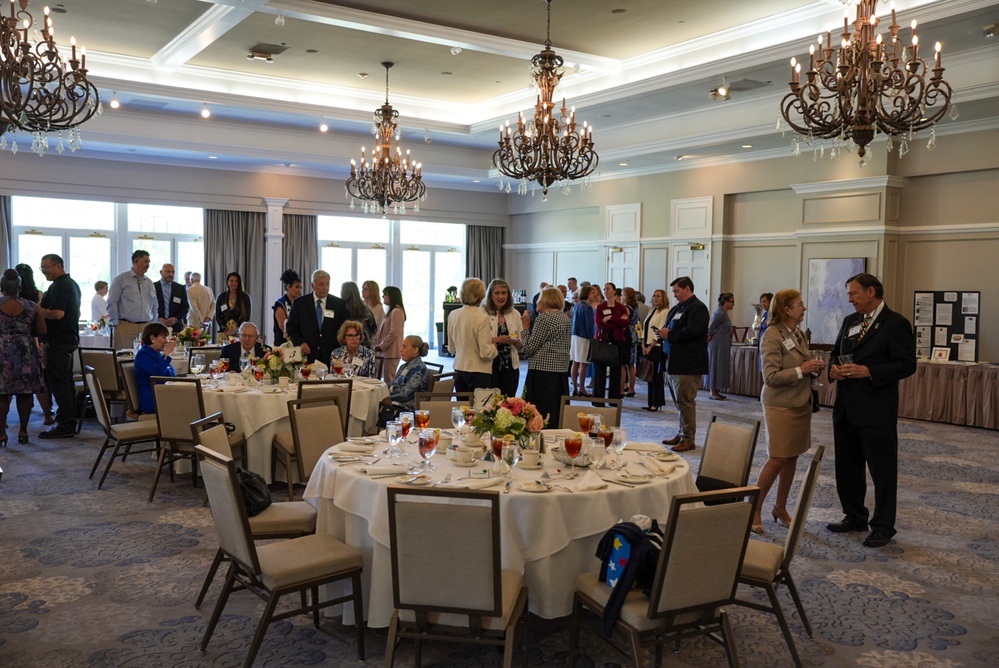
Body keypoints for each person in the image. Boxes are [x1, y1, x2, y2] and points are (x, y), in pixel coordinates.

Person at [827, 273, 916, 548]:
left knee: (882, 471)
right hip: (846, 409)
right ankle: (854, 515)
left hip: (877, 411)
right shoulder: (850, 321)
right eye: (849, 294)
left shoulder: (896, 323)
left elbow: (907, 364)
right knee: (847, 467)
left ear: (872, 291)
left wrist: (870, 371)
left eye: (854, 293)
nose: (850, 299)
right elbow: (834, 353)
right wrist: (833, 369)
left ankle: (883, 526)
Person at [751, 289, 826, 534]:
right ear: (786, 309)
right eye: (800, 304)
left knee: (792, 457)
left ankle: (780, 507)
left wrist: (811, 369)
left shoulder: (798, 333)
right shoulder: (772, 335)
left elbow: (799, 364)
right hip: (779, 404)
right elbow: (770, 377)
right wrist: (802, 370)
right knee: (777, 459)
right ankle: (754, 509)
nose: (804, 308)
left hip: (800, 403)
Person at [660, 276, 709, 453]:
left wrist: (669, 335)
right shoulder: (678, 308)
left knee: (686, 402)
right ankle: (682, 434)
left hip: (689, 363)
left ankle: (689, 439)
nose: (674, 295)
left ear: (687, 288)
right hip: (674, 361)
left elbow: (693, 332)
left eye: (677, 291)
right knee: (680, 402)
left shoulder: (698, 308)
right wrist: (663, 333)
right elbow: (671, 328)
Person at [37, 254, 81, 439]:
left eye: (46, 267)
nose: (44, 271)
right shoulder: (70, 283)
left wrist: (37, 310)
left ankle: (65, 424)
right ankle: (68, 420)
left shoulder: (61, 285)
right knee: (65, 381)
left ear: (58, 266)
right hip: (67, 339)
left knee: (59, 382)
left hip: (59, 340)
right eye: (42, 268)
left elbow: (57, 314)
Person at [0, 268, 46, 444]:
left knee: (2, 394)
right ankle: (23, 432)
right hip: (25, 352)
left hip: (1, 352)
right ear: (20, 286)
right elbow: (42, 330)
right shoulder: (31, 306)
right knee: (25, 393)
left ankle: (1, 433)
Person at [519, 286, 571, 428]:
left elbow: (529, 349)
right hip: (560, 371)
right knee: (555, 411)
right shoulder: (564, 318)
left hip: (542, 372)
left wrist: (525, 328)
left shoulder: (544, 319)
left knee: (539, 413)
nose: (536, 303)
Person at [286, 269, 348, 366]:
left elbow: (345, 328)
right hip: (308, 355)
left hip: (332, 356)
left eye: (327, 284)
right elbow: (291, 327)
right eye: (321, 284)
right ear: (313, 285)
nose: (325, 288)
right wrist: (301, 343)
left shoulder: (339, 304)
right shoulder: (300, 303)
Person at [447, 278, 498, 393]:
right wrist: (494, 347)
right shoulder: (481, 317)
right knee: (479, 409)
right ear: (480, 295)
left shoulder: (453, 315)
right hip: (479, 370)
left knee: (463, 408)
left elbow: (451, 348)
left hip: (459, 368)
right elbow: (485, 352)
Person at [17, 263, 53, 423]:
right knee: (40, 379)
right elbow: (43, 324)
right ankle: (47, 414)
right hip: (33, 341)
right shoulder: (38, 295)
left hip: (7, 345)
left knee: (9, 381)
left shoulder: (3, 300)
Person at [107, 249, 157, 350]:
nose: (148, 264)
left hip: (146, 327)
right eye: (145, 261)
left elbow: (154, 303)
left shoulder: (149, 282)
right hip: (125, 326)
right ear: (135, 261)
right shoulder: (121, 279)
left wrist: (154, 322)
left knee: (145, 358)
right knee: (123, 357)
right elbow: (112, 302)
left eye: (149, 262)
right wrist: (116, 324)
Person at [482, 278, 523, 397]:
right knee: (491, 403)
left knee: (509, 402)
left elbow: (521, 345)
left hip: (510, 366)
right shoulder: (482, 313)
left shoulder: (514, 313)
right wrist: (497, 340)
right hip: (490, 365)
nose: (501, 297)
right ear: (491, 295)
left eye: (504, 293)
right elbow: (477, 341)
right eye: (497, 293)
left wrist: (516, 342)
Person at [592, 282, 630, 400]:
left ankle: (613, 399)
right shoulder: (601, 307)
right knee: (600, 371)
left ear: (614, 291)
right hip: (603, 340)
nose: (606, 291)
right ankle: (598, 399)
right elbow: (600, 325)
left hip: (617, 341)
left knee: (616, 372)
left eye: (608, 289)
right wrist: (618, 322)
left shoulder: (621, 307)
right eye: (604, 289)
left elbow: (626, 323)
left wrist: (611, 318)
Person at [134, 322, 177, 415]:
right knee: (189, 401)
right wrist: (166, 354)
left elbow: (172, 373)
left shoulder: (156, 354)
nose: (166, 341)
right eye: (163, 337)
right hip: (152, 397)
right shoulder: (143, 354)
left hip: (164, 393)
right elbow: (157, 372)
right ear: (152, 338)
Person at [641, 289, 669, 412]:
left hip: (656, 347)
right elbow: (645, 328)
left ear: (663, 299)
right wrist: (643, 344)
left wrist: (650, 346)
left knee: (656, 376)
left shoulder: (665, 312)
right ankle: (650, 402)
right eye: (654, 296)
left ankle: (657, 402)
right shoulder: (652, 310)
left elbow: (660, 331)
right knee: (649, 375)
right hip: (647, 344)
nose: (655, 298)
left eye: (658, 296)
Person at [386, 335, 430, 412]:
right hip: (395, 402)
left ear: (415, 350)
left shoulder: (419, 368)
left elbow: (405, 394)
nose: (401, 350)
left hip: (407, 408)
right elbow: (392, 385)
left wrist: (386, 396)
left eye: (404, 347)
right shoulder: (404, 366)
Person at [374, 286, 406, 383]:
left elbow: (394, 333)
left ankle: (390, 398)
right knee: (387, 378)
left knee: (389, 379)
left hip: (392, 351)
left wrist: (381, 346)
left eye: (385, 294)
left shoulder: (396, 311)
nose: (383, 296)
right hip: (387, 351)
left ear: (392, 296)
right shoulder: (391, 311)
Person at [707, 292, 735, 400]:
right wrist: (709, 336)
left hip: (722, 344)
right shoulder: (720, 313)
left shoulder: (724, 313)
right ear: (726, 302)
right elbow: (711, 327)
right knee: (715, 366)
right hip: (717, 344)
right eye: (732, 302)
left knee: (720, 366)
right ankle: (712, 391)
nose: (733, 304)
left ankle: (716, 390)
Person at [570, 285, 595, 396]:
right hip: (584, 337)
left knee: (575, 362)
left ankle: (575, 387)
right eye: (592, 292)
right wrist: (592, 338)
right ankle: (582, 389)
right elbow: (589, 325)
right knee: (583, 364)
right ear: (587, 294)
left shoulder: (577, 305)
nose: (594, 295)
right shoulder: (588, 307)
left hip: (575, 336)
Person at [215, 271, 251, 339]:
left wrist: (235, 330)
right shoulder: (221, 297)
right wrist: (225, 329)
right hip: (224, 332)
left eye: (236, 281)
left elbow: (247, 317)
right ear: (227, 282)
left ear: (239, 283)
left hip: (239, 332)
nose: (233, 283)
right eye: (231, 281)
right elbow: (217, 316)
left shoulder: (245, 297)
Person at [154, 263, 189, 335]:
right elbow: (148, 305)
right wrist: (158, 318)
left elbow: (185, 307)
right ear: (161, 272)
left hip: (175, 327)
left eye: (173, 272)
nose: (171, 274)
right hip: (157, 325)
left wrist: (175, 318)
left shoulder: (180, 288)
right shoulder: (153, 286)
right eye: (168, 271)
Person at [341, 281, 378, 348]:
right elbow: (374, 328)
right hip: (365, 345)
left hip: (347, 347)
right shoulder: (365, 308)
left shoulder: (342, 309)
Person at [272, 269, 302, 346]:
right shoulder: (280, 304)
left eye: (300, 287)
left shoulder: (298, 304)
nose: (299, 290)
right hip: (283, 344)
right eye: (297, 287)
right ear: (288, 286)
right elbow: (283, 327)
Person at [621, 287, 640, 397]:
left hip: (627, 335)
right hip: (633, 335)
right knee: (631, 364)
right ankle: (632, 388)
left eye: (623, 295)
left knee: (624, 364)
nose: (621, 297)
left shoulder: (627, 308)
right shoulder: (635, 307)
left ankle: (622, 388)